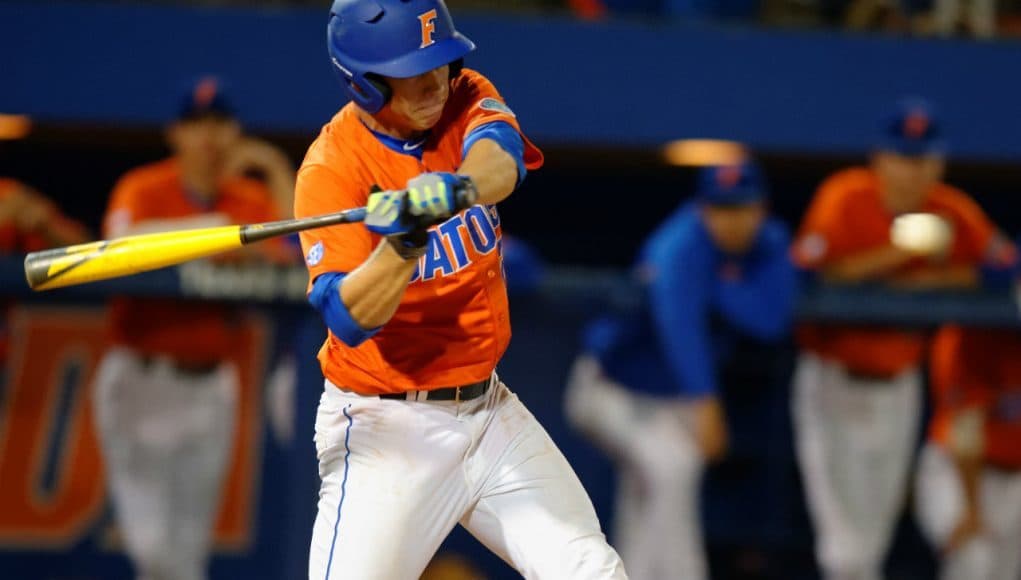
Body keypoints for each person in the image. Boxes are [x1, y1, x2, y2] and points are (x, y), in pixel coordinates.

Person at [295, 1, 626, 578]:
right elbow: (349, 318)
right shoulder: (330, 170)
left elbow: (501, 164)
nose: (433, 82)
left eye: (440, 62)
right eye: (411, 71)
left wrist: (456, 189)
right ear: (365, 85)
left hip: (490, 413)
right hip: (387, 429)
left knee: (591, 571)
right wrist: (401, 244)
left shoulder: (466, 92)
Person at [790, 97, 1015, 580]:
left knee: (872, 544)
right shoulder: (845, 195)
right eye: (903, 158)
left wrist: (939, 279)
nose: (914, 173)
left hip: (900, 386)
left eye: (924, 159)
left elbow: (1004, 269)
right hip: (835, 381)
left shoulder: (950, 209)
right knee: (845, 552)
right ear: (879, 160)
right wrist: (897, 254)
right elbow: (808, 272)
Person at [93, 78, 290, 580]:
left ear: (235, 132)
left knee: (187, 553)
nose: (210, 135)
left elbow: (299, 256)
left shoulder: (249, 198)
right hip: (141, 377)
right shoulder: (144, 187)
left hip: (210, 388)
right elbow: (117, 244)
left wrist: (272, 168)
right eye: (197, 123)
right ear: (175, 133)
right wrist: (217, 233)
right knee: (154, 549)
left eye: (220, 123)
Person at [564, 160, 798, 580]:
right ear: (702, 208)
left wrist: (715, 286)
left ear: (760, 209)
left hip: (667, 400)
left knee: (652, 492)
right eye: (720, 209)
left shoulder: (770, 241)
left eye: (741, 208)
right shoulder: (678, 245)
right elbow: (680, 326)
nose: (730, 221)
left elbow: (772, 318)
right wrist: (705, 403)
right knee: (673, 469)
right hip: (610, 389)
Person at [915, 325, 1021, 580]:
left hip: (1013, 476)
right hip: (956, 471)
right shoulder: (963, 338)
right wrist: (972, 509)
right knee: (971, 558)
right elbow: (965, 433)